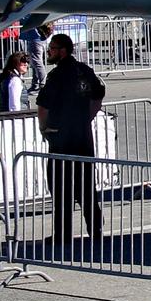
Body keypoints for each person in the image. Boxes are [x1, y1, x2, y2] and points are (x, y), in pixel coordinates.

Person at [36, 33, 106, 244]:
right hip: (83, 137)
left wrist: (44, 128)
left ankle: (63, 234)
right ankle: (96, 230)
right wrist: (87, 118)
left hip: (61, 138)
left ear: (63, 50)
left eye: (53, 48)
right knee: (86, 186)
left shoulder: (57, 75)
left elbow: (43, 105)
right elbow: (99, 94)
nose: (49, 52)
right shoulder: (84, 70)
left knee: (61, 188)